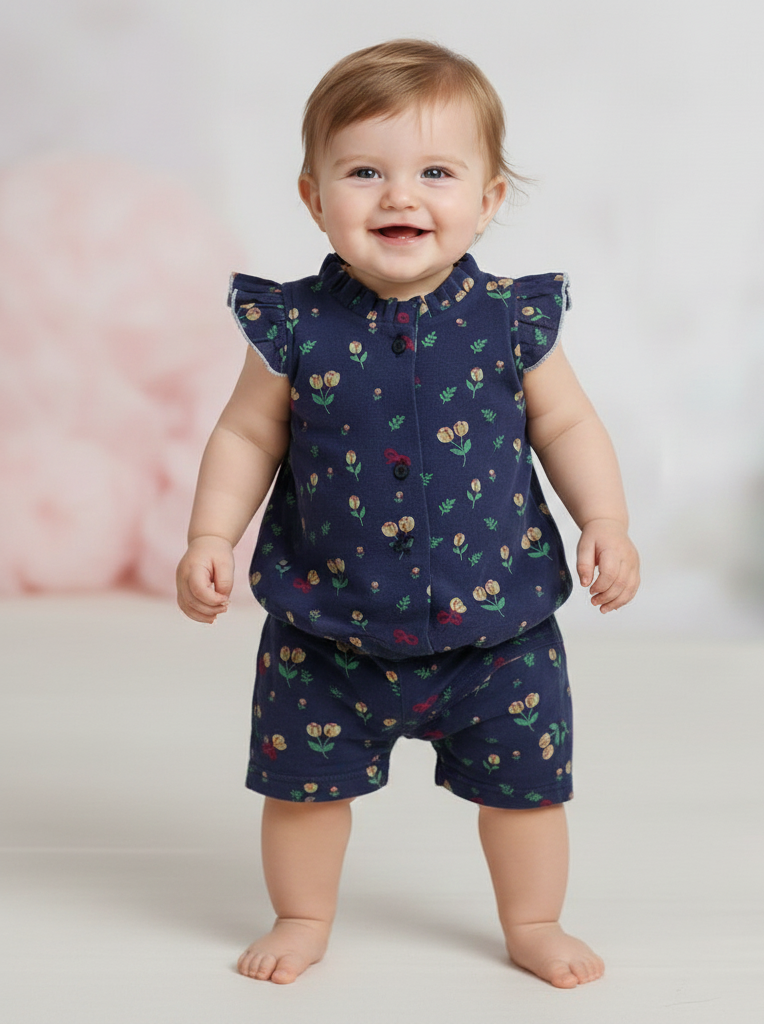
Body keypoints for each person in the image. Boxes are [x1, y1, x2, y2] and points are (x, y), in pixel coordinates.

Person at [176, 38, 640, 989]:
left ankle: (534, 920)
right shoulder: (294, 327)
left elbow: (566, 424)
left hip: (497, 629)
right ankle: (302, 914)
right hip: (327, 628)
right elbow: (245, 437)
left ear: (489, 197)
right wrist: (209, 535)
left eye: (436, 172)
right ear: (313, 197)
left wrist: (606, 521)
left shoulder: (512, 320)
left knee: (526, 793)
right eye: (364, 172)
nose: (400, 196)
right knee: (302, 794)